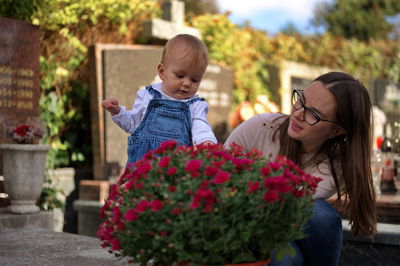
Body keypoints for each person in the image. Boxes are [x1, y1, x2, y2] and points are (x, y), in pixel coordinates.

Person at [224, 72, 377, 265]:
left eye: (313, 114)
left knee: (320, 215)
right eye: (301, 101)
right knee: (288, 259)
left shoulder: (336, 165)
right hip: (238, 225)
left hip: (279, 225)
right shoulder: (259, 128)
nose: (297, 114)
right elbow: (218, 176)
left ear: (337, 130)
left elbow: (282, 215)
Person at [102, 34, 217, 164]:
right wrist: (118, 112)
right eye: (180, 75)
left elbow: (201, 127)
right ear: (162, 72)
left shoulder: (194, 105)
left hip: (174, 168)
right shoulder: (147, 95)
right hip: (142, 166)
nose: (187, 83)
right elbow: (133, 124)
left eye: (194, 80)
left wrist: (207, 142)